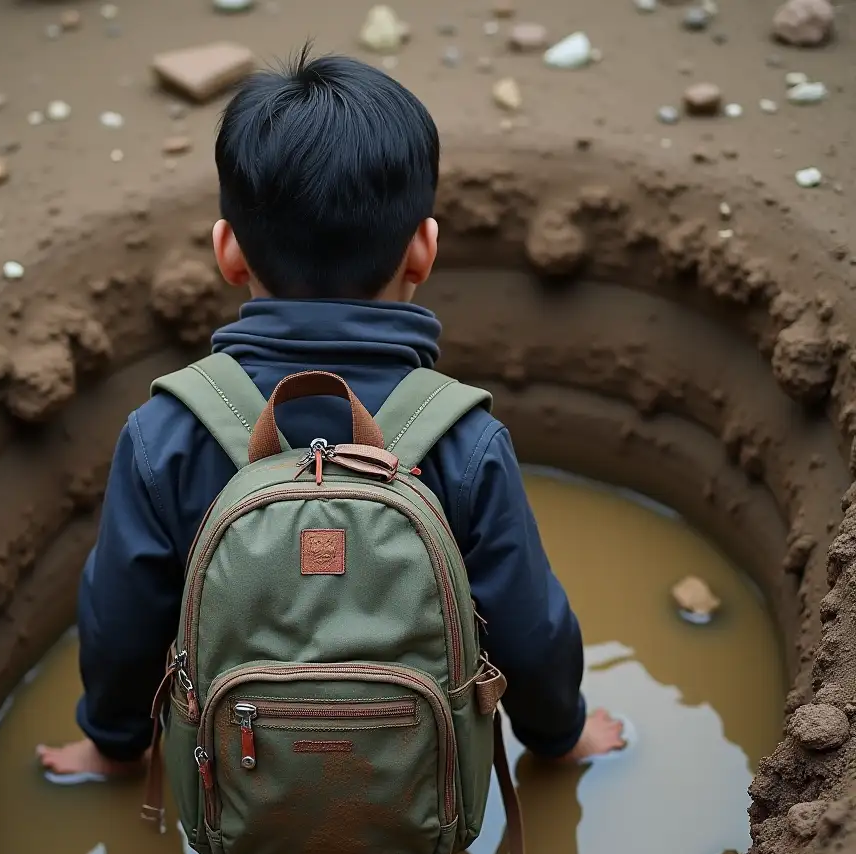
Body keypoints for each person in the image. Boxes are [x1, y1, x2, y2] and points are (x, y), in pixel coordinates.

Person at [36, 46, 625, 781]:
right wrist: (561, 736)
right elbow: (528, 626)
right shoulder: (465, 439)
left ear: (228, 254)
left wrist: (113, 742)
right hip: (422, 794)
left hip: (234, 791)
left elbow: (120, 620)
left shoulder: (167, 434)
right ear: (423, 250)